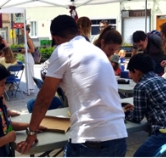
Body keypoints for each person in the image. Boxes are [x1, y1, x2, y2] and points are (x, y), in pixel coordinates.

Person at [16, 15, 128, 157]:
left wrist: (31, 132)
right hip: (118, 135)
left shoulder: (64, 50)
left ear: (55, 38)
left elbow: (45, 97)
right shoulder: (96, 50)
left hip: (91, 139)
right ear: (78, 32)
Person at [123, 53, 166, 157]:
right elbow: (162, 104)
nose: (130, 76)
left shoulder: (141, 86)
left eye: (130, 73)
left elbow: (136, 117)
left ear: (136, 71)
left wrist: (125, 112)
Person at [20, 26, 35, 94]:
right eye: (22, 30)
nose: (22, 32)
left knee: (30, 73)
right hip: (27, 57)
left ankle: (31, 88)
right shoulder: (26, 39)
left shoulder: (28, 39)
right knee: (27, 73)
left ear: (27, 31)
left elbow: (32, 50)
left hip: (29, 58)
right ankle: (29, 88)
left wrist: (24, 50)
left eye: (23, 30)